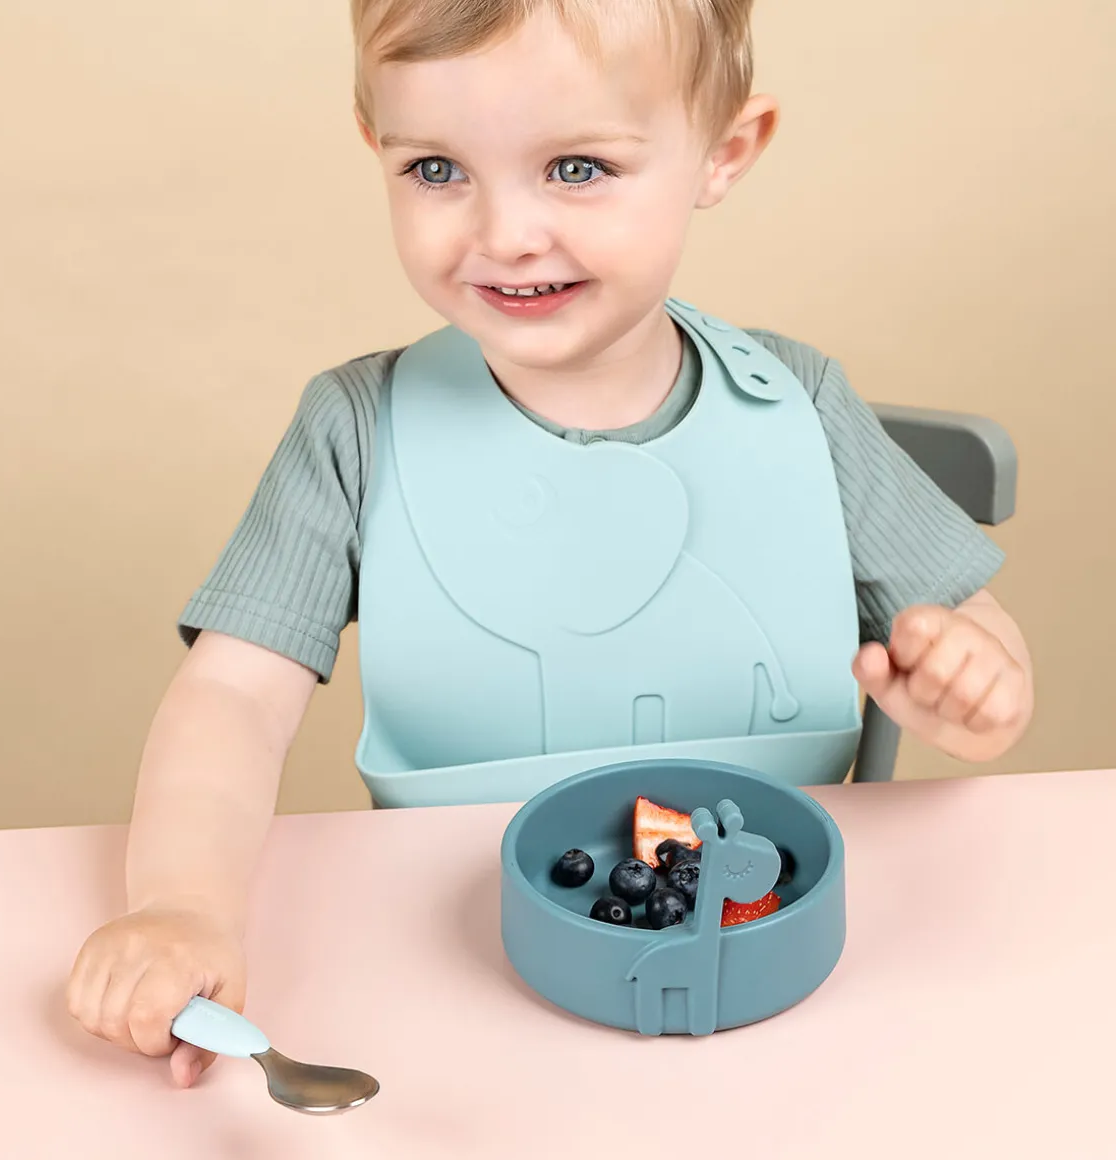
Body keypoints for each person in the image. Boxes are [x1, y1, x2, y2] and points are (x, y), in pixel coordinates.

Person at [66, 0, 1034, 1088]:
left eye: (577, 168)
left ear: (722, 153)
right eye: (436, 169)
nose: (504, 234)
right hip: (449, 966)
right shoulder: (355, 429)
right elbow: (233, 698)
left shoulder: (802, 407)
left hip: (773, 970)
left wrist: (973, 690)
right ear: (375, 147)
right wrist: (181, 905)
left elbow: (972, 634)